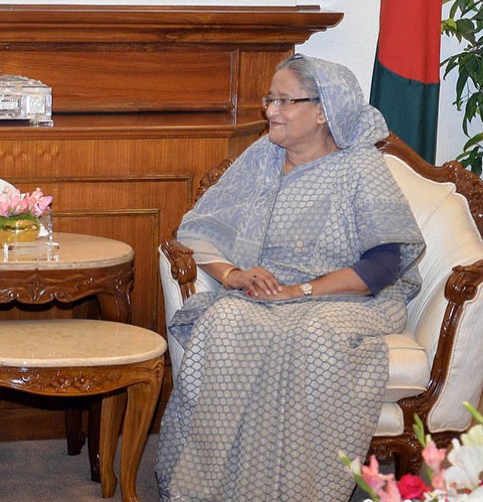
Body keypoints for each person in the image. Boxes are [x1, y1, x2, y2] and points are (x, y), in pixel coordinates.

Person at [156, 54, 425, 501]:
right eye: (270, 100)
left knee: (312, 337)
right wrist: (236, 275)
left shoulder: (360, 167)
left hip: (345, 299)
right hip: (263, 295)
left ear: (323, 110)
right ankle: (205, 490)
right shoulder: (262, 157)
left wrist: (300, 292)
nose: (270, 111)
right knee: (223, 324)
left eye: (284, 101)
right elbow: (199, 230)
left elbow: (383, 265)